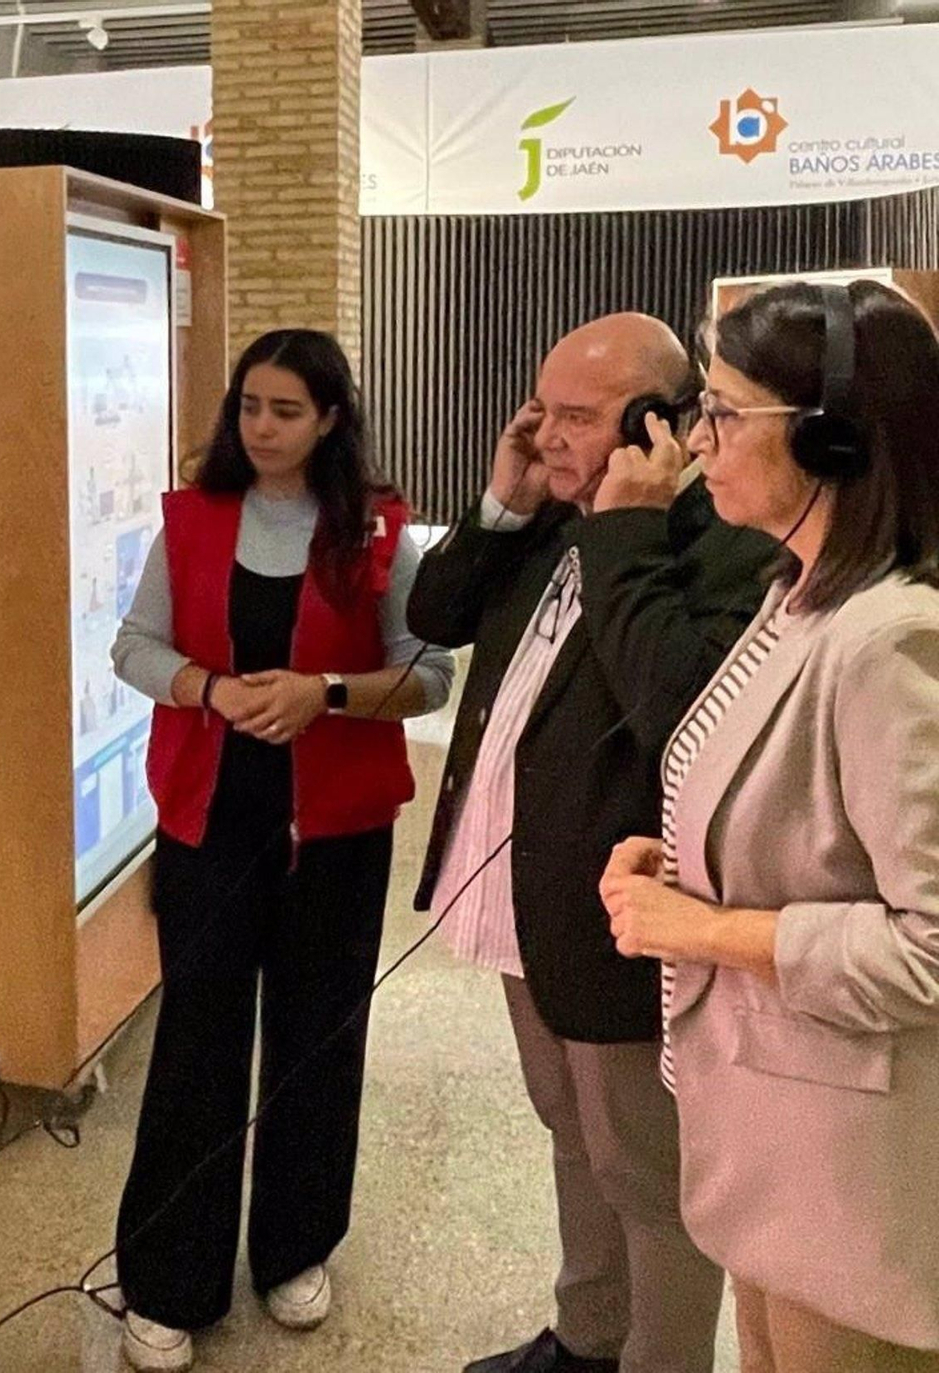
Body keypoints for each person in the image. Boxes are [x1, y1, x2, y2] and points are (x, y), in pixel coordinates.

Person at [407, 314, 777, 1373]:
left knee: (646, 1177)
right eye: (541, 406)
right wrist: (502, 501)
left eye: (576, 415)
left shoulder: (719, 539)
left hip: (620, 921)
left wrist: (627, 525)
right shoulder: (545, 516)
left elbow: (679, 703)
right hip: (525, 903)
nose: (546, 430)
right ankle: (586, 1336)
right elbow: (436, 611)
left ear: (659, 423)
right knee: (568, 1131)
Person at [602, 280, 939, 1373]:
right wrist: (683, 861)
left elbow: (929, 946)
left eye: (723, 410)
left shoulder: (890, 638)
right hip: (772, 1140)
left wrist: (695, 929)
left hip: (847, 1176)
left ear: (831, 439)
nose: (696, 439)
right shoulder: (795, 592)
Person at [110, 329, 454, 1372]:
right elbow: (134, 647)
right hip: (209, 816)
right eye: (249, 406)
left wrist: (326, 695)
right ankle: (170, 1276)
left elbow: (430, 675)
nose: (260, 428)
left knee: (315, 1036)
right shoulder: (192, 519)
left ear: (331, 420)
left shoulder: (381, 531)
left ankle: (295, 1247)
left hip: (337, 829)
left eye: (285, 411)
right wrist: (210, 688)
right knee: (197, 1044)